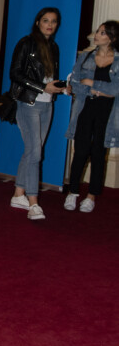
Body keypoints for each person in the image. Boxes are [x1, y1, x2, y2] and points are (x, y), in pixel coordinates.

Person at [9, 8, 67, 220]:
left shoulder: (54, 47)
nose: (50, 24)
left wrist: (60, 88)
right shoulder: (26, 43)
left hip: (47, 104)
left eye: (53, 21)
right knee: (35, 153)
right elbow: (14, 73)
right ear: (37, 22)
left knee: (33, 151)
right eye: (45, 20)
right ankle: (33, 202)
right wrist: (42, 88)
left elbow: (50, 77)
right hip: (29, 103)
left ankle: (18, 194)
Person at [63, 21, 119, 212]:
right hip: (85, 108)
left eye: (102, 32)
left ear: (111, 37)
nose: (96, 35)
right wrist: (100, 90)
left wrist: (92, 84)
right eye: (98, 31)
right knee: (80, 151)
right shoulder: (85, 56)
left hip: (108, 113)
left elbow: (116, 90)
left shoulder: (118, 60)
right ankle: (73, 192)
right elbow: (77, 83)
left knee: (98, 154)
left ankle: (91, 196)